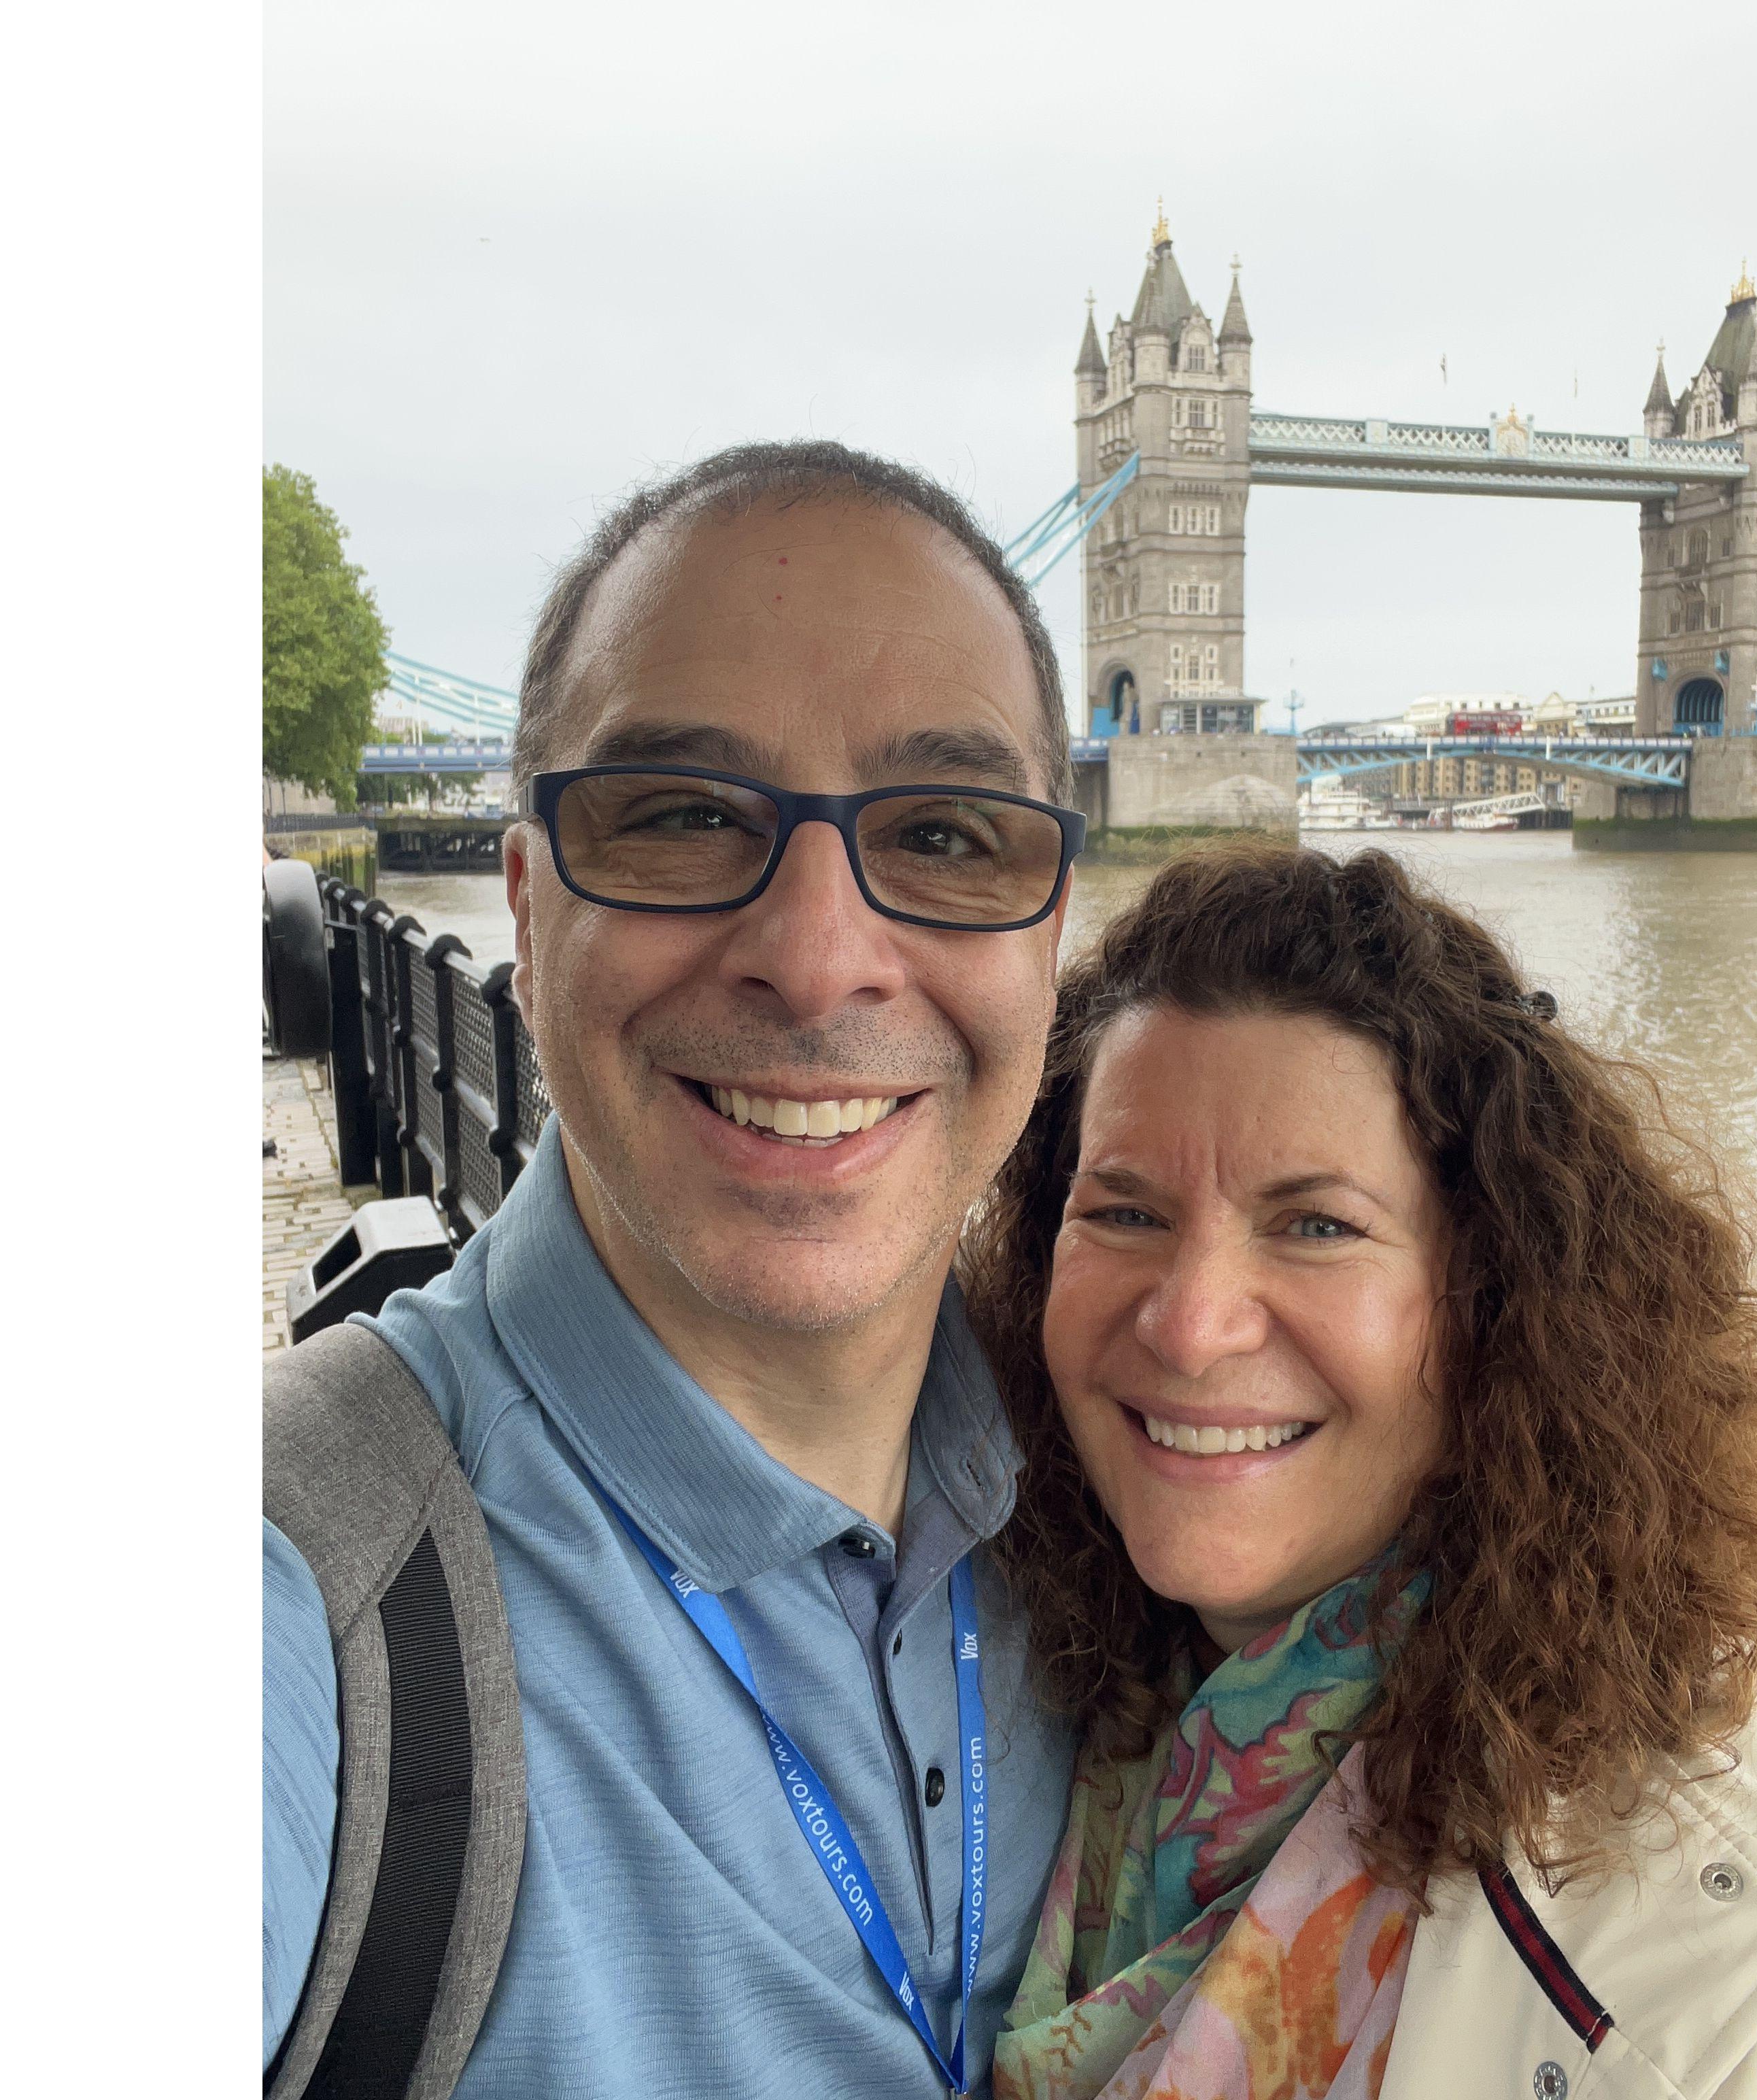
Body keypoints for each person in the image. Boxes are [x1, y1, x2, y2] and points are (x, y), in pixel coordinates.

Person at [263, 441, 1091, 2097]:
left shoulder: (1142, 1478)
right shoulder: (303, 1590)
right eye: (684, 816)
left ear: (1052, 928)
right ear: (522, 905)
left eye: (942, 833)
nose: (817, 958)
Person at [965, 842, 1757, 2100]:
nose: (1191, 1325)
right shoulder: (1007, 1675)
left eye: (1317, 1225)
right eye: (1125, 1213)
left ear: (1497, 1300)